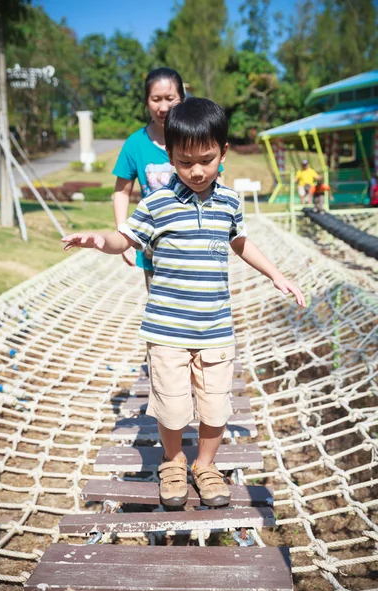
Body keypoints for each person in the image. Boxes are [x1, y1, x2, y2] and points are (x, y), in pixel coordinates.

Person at [63, 98, 306, 508]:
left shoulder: (229, 202)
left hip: (215, 327)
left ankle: (205, 465)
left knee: (215, 405)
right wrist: (101, 241)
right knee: (172, 406)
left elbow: (240, 242)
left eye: (206, 160)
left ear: (223, 153)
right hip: (167, 329)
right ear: (170, 158)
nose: (196, 171)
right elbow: (128, 238)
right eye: (184, 161)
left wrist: (276, 274)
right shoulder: (156, 204)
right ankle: (173, 460)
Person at [112, 67, 223, 292]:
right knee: (163, 314)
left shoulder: (198, 137)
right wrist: (122, 233)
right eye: (156, 99)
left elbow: (216, 181)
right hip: (156, 247)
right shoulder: (135, 144)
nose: (163, 108)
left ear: (182, 99)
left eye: (170, 99)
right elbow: (121, 192)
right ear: (146, 102)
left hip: (197, 243)